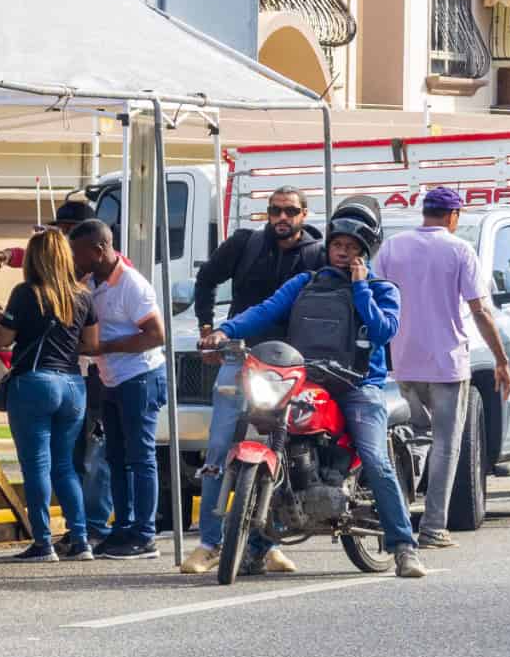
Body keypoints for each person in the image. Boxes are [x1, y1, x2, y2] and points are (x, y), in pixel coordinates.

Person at [206, 202, 424, 579]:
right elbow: (265, 310)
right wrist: (227, 330)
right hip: (305, 381)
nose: (343, 251)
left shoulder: (382, 289)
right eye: (338, 244)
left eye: (353, 246)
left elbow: (382, 331)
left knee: (375, 459)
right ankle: (256, 546)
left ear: (366, 251)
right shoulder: (305, 283)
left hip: (359, 386)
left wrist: (360, 289)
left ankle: (404, 547)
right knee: (280, 444)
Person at [184, 185, 325, 577]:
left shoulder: (317, 255)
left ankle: (268, 544)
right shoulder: (245, 244)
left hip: (289, 368)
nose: (282, 218)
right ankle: (209, 544)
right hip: (240, 358)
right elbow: (206, 279)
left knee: (282, 451)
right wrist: (208, 327)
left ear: (304, 214)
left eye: (291, 211)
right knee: (218, 449)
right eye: (275, 211)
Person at [378, 186, 510, 550]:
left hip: (403, 362)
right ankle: (434, 526)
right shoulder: (459, 249)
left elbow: (375, 295)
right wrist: (501, 360)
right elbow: (480, 310)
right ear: (453, 216)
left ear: (425, 212)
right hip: (447, 365)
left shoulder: (392, 247)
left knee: (411, 436)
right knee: (445, 445)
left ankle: (399, 512)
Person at [0, 228, 89, 562]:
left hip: (35, 382)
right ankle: (81, 539)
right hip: (74, 385)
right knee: (65, 467)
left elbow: (4, 340)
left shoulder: (26, 293)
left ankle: (43, 543)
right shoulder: (83, 295)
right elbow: (91, 343)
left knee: (37, 467)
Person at [69, 218, 166, 561]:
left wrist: (104, 348)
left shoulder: (131, 285)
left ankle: (144, 534)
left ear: (99, 249)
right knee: (116, 456)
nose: (74, 259)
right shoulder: (89, 281)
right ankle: (123, 526)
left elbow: (156, 335)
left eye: (79, 253)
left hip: (140, 377)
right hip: (111, 378)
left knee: (141, 457)